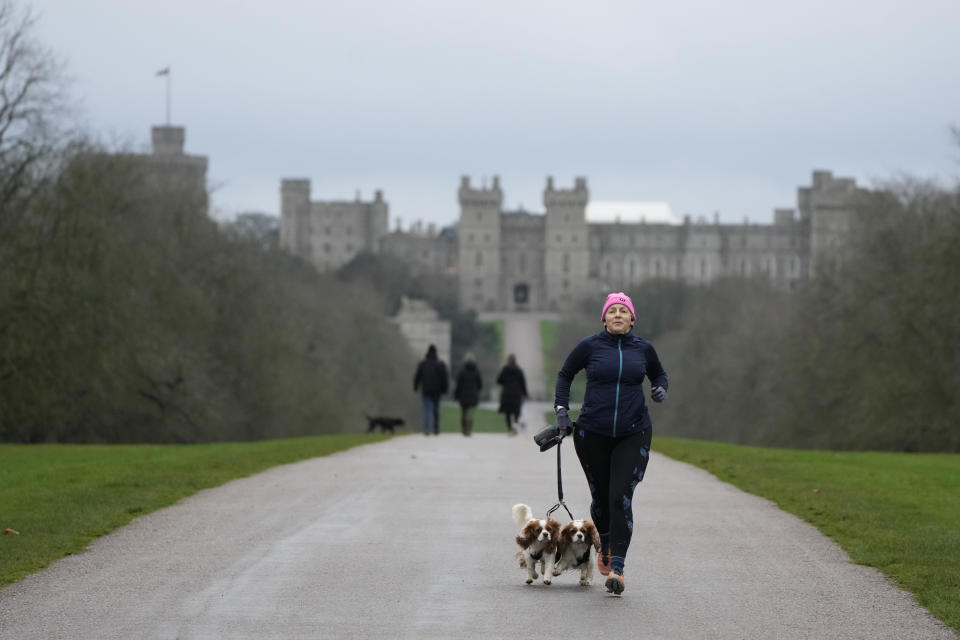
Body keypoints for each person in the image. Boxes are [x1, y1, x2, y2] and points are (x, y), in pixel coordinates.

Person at [553, 292, 668, 595]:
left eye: (623, 311)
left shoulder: (644, 349)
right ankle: (603, 542)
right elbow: (565, 375)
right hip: (592, 433)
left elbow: (659, 374)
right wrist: (562, 411)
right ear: (604, 318)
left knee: (621, 498)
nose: (618, 315)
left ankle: (617, 568)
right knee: (601, 499)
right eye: (612, 311)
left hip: (634, 432)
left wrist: (659, 387)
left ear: (632, 318)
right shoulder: (590, 346)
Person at [413, 344, 449, 435]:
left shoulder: (423, 364)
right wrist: (445, 389)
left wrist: (416, 387)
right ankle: (436, 429)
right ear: (436, 353)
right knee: (436, 410)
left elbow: (417, 376)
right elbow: (444, 378)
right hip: (437, 391)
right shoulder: (440, 364)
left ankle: (427, 429)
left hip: (426, 390)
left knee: (426, 410)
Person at [496, 353, 528, 435]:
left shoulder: (504, 369)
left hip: (506, 393)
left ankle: (510, 429)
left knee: (507, 413)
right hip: (516, 394)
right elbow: (523, 383)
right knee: (516, 412)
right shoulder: (519, 370)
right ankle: (515, 426)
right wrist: (525, 393)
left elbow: (499, 380)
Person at [453, 353, 483, 436]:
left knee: (463, 413)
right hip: (473, 395)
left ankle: (464, 429)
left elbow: (458, 385)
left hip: (463, 396)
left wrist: (456, 395)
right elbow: (480, 385)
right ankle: (469, 429)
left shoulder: (462, 372)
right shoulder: (477, 372)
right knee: (471, 413)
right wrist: (477, 391)